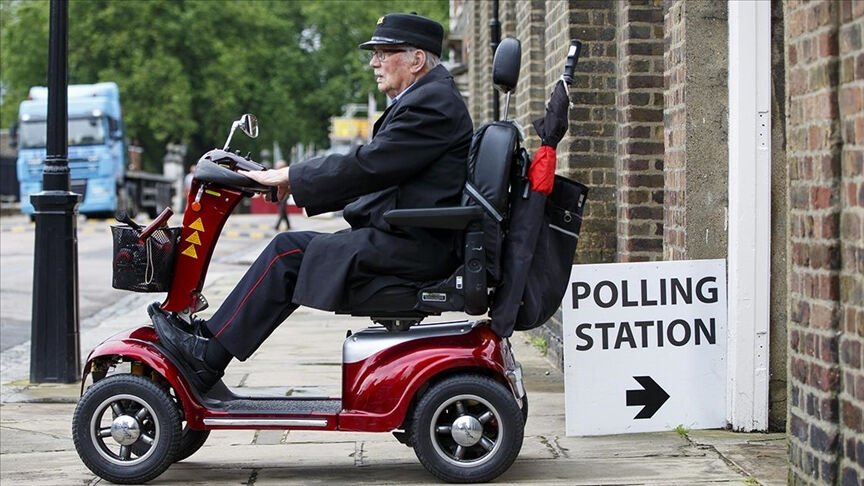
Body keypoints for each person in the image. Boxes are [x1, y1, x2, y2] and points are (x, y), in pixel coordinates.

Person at [152, 13, 474, 391]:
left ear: (416, 59)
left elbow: (370, 164)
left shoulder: (430, 104)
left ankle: (208, 355)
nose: (374, 63)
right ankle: (210, 340)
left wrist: (292, 177)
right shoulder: (430, 98)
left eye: (383, 53)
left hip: (415, 247)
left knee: (286, 253)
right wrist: (291, 181)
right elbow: (376, 166)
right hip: (411, 236)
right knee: (291, 249)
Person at [273, 159, 292, 230]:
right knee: (283, 211)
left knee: (282, 210)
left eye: (278, 167)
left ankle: (277, 226)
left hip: (285, 195)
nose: (277, 168)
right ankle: (288, 225)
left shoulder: (286, 173)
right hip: (280, 195)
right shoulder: (277, 174)